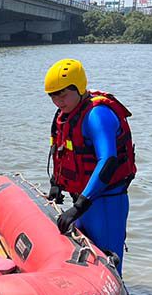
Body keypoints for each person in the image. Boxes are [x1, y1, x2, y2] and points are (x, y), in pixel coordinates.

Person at [44, 58, 137, 274]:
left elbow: (108, 161)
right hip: (84, 201)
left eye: (63, 94)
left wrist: (79, 206)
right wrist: (56, 184)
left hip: (106, 203)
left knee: (109, 265)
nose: (58, 101)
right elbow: (61, 150)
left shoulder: (98, 115)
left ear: (78, 87)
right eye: (53, 95)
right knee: (86, 262)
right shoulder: (66, 114)